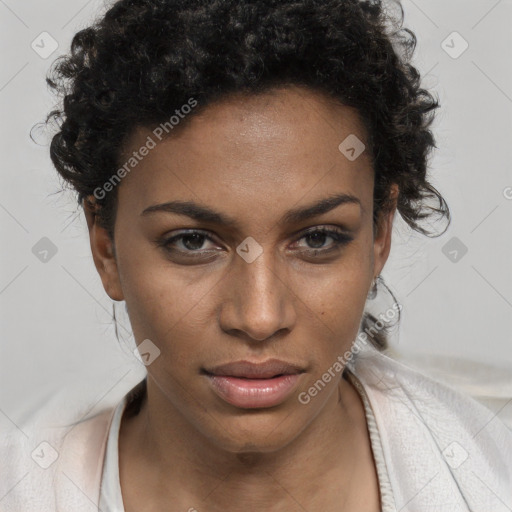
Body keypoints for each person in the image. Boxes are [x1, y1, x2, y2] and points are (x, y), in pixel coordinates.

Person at [1, 0, 511, 511]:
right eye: (193, 242)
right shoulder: (24, 487)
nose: (260, 317)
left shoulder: (490, 476)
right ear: (105, 247)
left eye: (317, 239)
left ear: (380, 236)